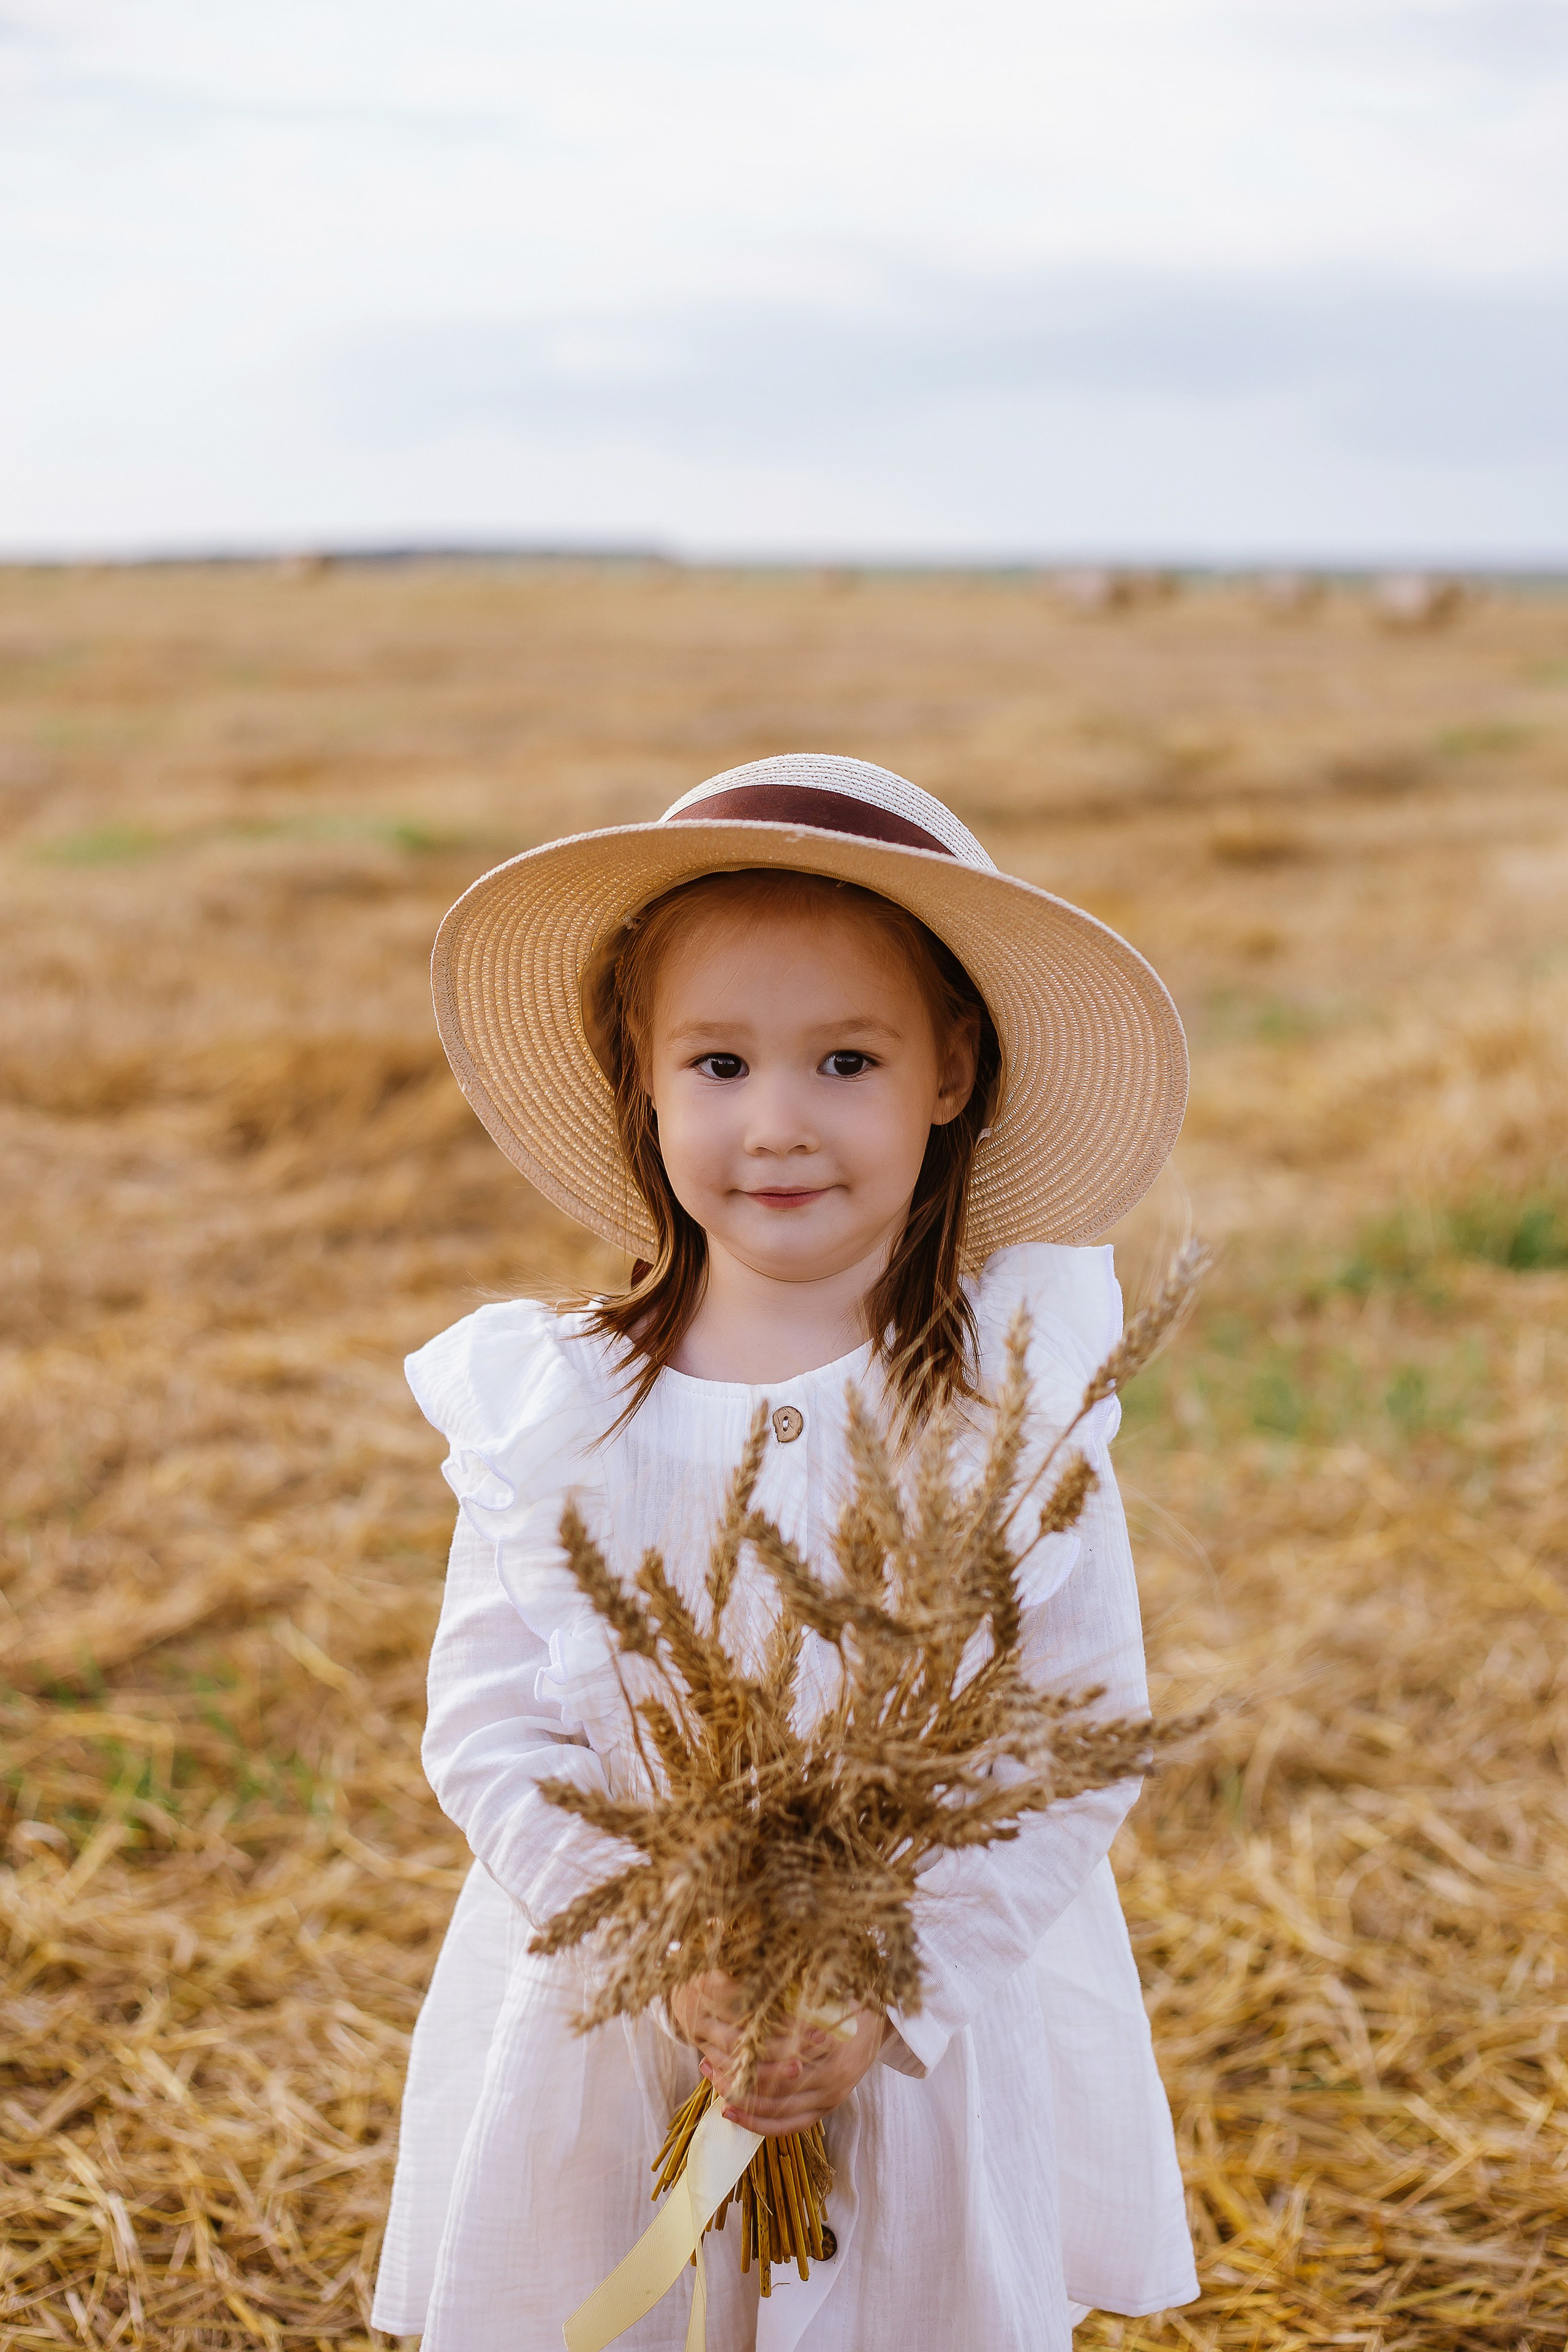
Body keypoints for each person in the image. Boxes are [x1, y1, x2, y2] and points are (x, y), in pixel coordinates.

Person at [371, 755, 1199, 2352]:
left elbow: (1081, 1741)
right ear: (645, 1076)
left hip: (906, 2043)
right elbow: (486, 1725)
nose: (777, 1123)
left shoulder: (1004, 1414)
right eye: (722, 1062)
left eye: (843, 1059)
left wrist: (881, 1985)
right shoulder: (557, 1407)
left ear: (951, 1069)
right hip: (615, 2025)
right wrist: (668, 1951)